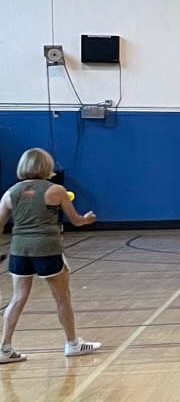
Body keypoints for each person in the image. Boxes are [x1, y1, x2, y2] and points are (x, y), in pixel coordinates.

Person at [1, 148, 101, 363]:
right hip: (47, 248)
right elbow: (76, 220)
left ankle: (4, 348)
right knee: (62, 297)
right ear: (46, 166)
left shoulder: (10, 193)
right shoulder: (56, 190)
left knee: (17, 298)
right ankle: (73, 344)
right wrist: (88, 218)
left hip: (19, 250)